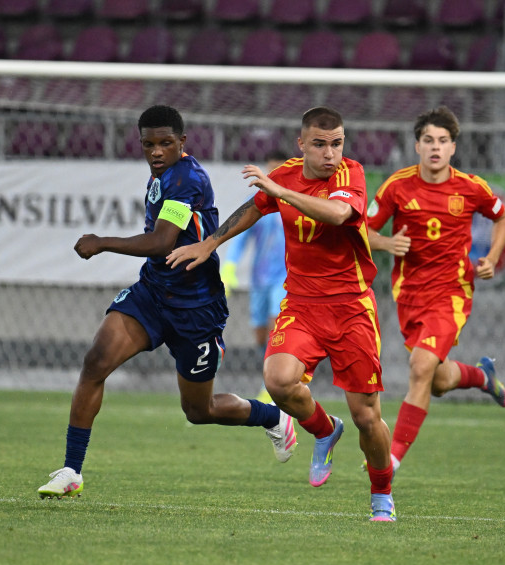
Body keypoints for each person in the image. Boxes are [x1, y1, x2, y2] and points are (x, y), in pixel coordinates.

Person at [37, 105, 296, 499]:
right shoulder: (161, 173)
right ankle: (72, 469)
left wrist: (101, 242)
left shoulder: (187, 180)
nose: (156, 151)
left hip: (196, 307)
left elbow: (161, 242)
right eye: (149, 144)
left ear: (182, 142)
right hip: (153, 295)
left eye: (165, 143)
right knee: (95, 363)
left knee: (199, 411)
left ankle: (273, 417)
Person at [167, 107, 396, 521]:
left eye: (337, 143)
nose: (331, 154)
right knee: (277, 380)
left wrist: (280, 191)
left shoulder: (351, 175)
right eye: (321, 145)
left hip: (351, 308)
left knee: (367, 416)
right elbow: (255, 207)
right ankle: (325, 431)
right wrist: (211, 243)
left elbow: (339, 214)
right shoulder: (287, 175)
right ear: (302, 144)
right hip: (303, 304)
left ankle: (381, 492)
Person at [367, 105, 505, 476]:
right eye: (428, 140)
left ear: (453, 148)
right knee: (438, 381)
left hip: (452, 292)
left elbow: (503, 217)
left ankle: (391, 458)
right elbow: (362, 231)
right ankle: (482, 376)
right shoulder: (397, 186)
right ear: (417, 146)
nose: (436, 147)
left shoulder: (470, 187)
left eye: (443, 141)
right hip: (409, 295)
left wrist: (492, 258)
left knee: (419, 368)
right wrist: (385, 244)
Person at [220, 149, 290, 376]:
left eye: (278, 169)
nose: (273, 174)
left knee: (275, 327)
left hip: (285, 278)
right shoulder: (257, 202)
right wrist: (229, 267)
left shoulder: (294, 201)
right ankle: (271, 375)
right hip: (259, 278)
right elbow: (240, 237)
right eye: (270, 169)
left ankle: (272, 383)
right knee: (260, 334)